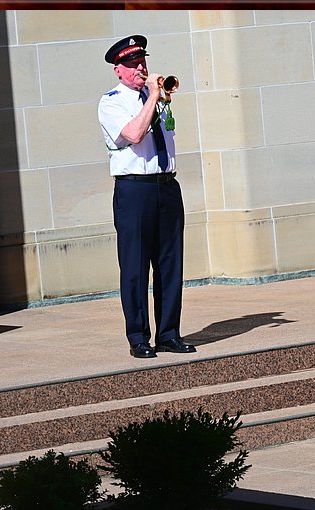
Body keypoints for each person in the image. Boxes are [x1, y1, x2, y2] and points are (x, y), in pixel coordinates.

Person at [98, 35, 196, 359]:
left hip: (166, 186)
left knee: (170, 264)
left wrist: (157, 96)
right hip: (134, 189)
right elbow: (134, 134)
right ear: (119, 70)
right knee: (135, 266)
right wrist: (154, 95)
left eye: (142, 61)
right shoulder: (111, 102)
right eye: (132, 64)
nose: (140, 67)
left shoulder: (156, 97)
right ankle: (138, 336)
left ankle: (168, 333)